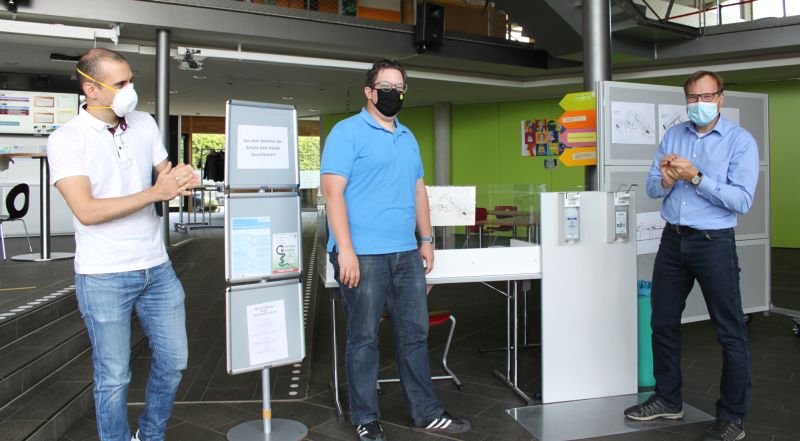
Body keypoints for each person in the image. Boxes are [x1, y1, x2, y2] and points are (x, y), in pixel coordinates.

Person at [47, 48, 198, 441]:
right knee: (113, 376)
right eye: (120, 84)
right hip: (103, 275)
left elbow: (166, 176)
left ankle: (150, 435)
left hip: (156, 268)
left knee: (175, 360)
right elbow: (87, 211)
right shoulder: (66, 140)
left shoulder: (144, 123)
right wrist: (154, 192)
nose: (129, 90)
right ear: (90, 90)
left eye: (130, 80)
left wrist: (183, 178)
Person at [320, 59, 471, 441]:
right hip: (363, 255)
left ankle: (426, 412)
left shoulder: (408, 137)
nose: (393, 93)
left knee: (414, 335)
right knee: (364, 338)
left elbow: (418, 190)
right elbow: (332, 192)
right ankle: (365, 418)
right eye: (386, 86)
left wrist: (427, 239)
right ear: (369, 91)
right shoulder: (346, 132)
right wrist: (346, 251)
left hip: (405, 252)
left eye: (399, 87)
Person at [624, 71, 759, 441]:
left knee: (730, 332)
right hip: (672, 241)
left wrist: (696, 176)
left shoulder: (740, 142)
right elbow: (653, 186)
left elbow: (742, 200)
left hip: (714, 243)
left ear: (720, 98)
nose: (698, 104)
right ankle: (668, 400)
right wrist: (668, 180)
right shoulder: (673, 135)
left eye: (706, 96)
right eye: (692, 98)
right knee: (662, 323)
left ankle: (732, 417)